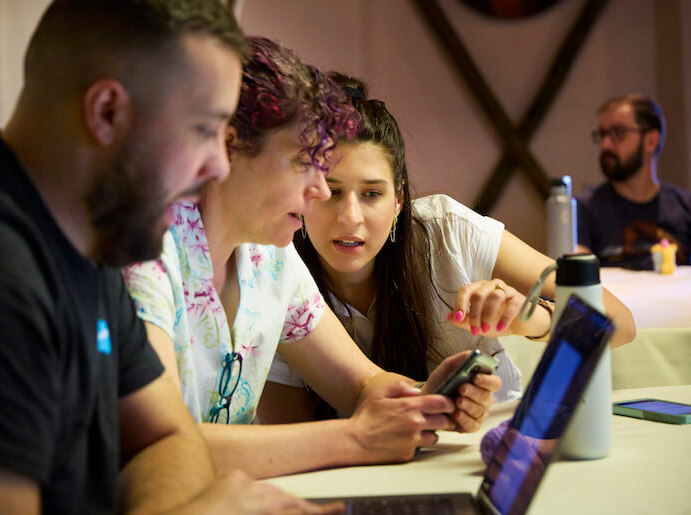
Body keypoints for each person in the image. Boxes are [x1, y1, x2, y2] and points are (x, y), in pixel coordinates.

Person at [0, 1, 345, 515]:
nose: (219, 166)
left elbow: (164, 435)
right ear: (107, 112)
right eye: (204, 131)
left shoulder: (92, 242)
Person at [122, 37, 501, 480]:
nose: (320, 191)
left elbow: (361, 384)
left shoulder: (270, 259)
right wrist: (357, 437)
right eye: (304, 161)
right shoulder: (142, 251)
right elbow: (158, 442)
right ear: (229, 148)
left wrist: (424, 401)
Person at [260, 74, 636, 420]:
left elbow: (620, 322)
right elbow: (289, 433)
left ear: (399, 200)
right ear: (305, 190)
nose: (350, 217)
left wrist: (533, 319)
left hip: (490, 449)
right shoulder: (277, 271)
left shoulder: (448, 233)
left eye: (372, 193)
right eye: (332, 191)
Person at [577, 93, 691, 269]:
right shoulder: (584, 208)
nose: (605, 145)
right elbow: (576, 281)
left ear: (650, 141)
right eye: (603, 135)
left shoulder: (688, 206)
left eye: (618, 132)